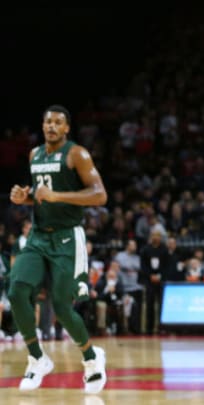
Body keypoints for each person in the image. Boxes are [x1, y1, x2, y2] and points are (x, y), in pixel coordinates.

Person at [7, 105, 107, 393]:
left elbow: (100, 195)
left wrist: (55, 195)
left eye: (57, 122)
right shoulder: (34, 155)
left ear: (66, 129)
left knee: (62, 306)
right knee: (16, 290)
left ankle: (91, 358)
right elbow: (41, 198)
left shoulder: (78, 154)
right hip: (38, 236)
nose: (51, 126)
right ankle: (37, 358)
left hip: (67, 237)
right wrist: (24, 199)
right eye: (47, 121)